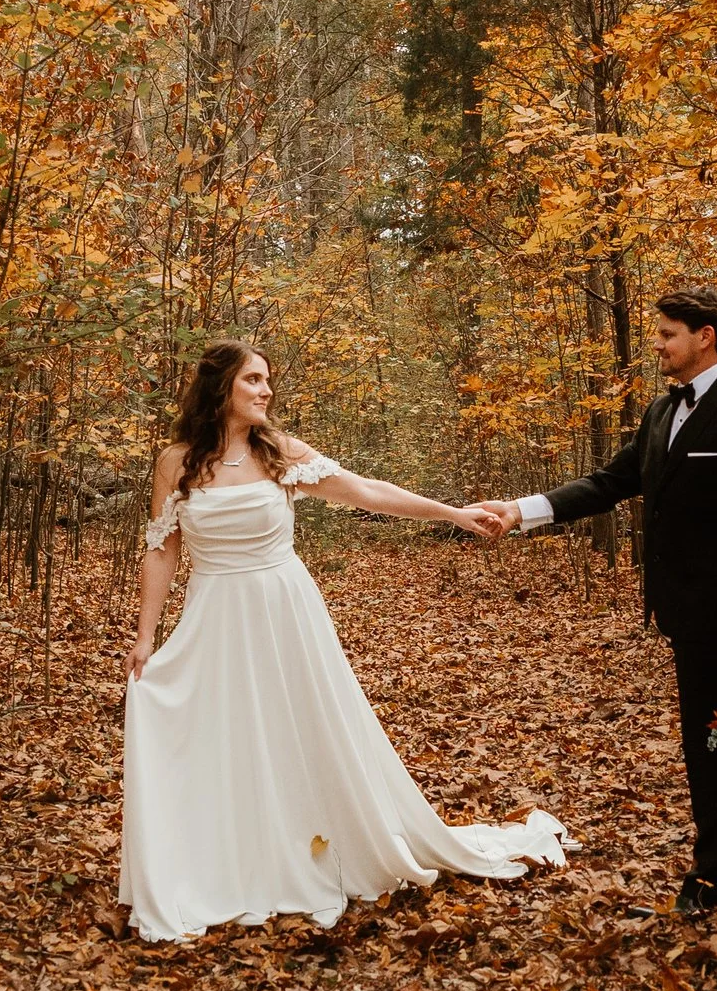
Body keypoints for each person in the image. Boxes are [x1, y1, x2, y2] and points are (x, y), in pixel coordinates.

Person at [120, 339, 570, 941]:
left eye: (268, 380)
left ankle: (313, 847)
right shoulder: (177, 462)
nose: (266, 390)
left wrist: (453, 514)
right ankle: (229, 858)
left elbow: (367, 491)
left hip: (285, 610)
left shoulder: (280, 453)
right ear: (220, 386)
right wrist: (147, 635)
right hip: (213, 615)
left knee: (298, 728)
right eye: (253, 379)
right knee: (224, 735)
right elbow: (162, 548)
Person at [484, 285, 717, 915]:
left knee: (716, 745)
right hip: (685, 612)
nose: (657, 343)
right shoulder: (660, 414)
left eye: (668, 333)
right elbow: (612, 481)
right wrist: (524, 511)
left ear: (704, 336)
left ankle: (715, 881)